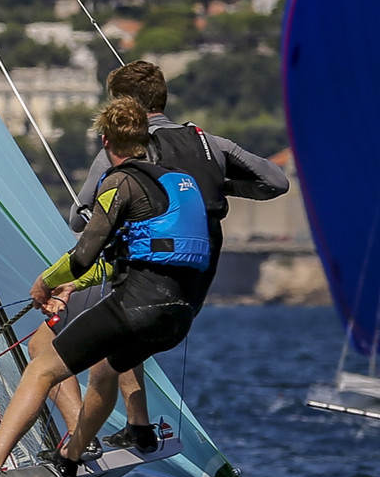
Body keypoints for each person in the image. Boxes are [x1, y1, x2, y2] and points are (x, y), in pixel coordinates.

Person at [0, 96, 212, 477]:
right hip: (179, 316)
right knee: (106, 369)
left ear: (105, 141)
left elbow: (84, 253)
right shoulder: (177, 183)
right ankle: (71, 457)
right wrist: (75, 284)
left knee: (41, 368)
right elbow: (144, 253)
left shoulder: (119, 183)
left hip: (136, 306)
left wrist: (47, 281)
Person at [64, 60, 287, 450]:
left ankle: (79, 440)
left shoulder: (124, 147)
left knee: (53, 341)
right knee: (133, 333)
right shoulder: (209, 142)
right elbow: (276, 182)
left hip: (148, 268)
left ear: (124, 106)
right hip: (199, 271)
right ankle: (139, 427)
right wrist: (215, 187)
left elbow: (77, 219)